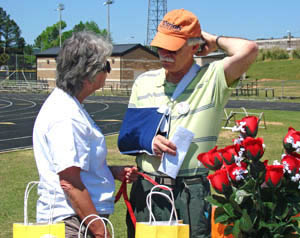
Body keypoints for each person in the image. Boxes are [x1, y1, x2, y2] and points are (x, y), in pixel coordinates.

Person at [124, 9, 258, 238]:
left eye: (173, 48)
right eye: (160, 46)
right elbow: (129, 135)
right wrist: (149, 140)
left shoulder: (212, 78)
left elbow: (249, 50)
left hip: (190, 191)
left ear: (195, 47)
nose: (164, 53)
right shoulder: (143, 83)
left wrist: (213, 40)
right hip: (147, 187)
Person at [32, 31, 138, 238]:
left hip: (76, 220)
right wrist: (101, 233)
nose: (107, 72)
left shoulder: (68, 106)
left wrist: (110, 171)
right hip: (73, 223)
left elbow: (75, 166)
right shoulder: (66, 116)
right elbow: (70, 182)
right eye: (106, 66)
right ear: (89, 73)